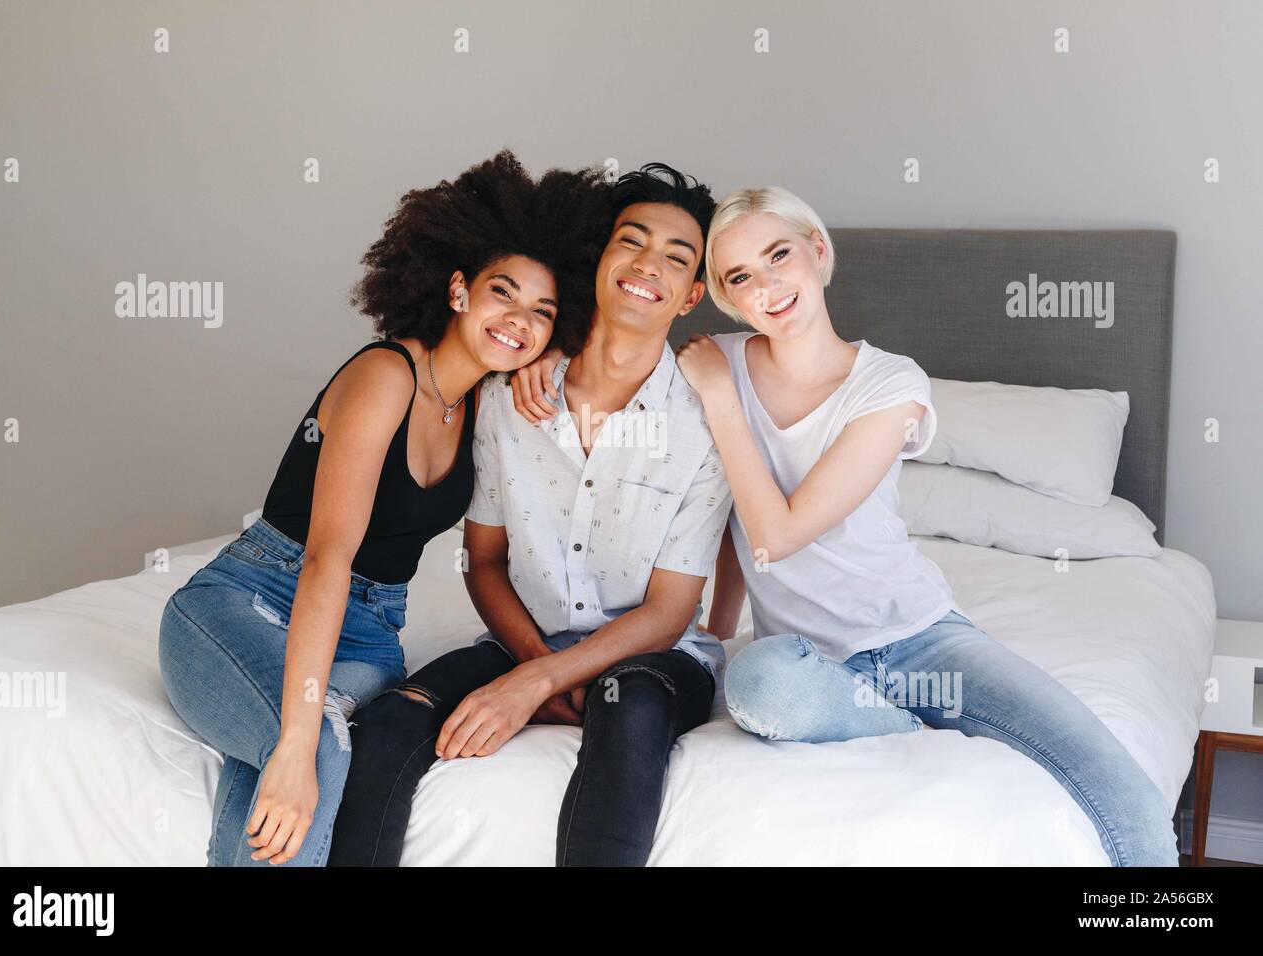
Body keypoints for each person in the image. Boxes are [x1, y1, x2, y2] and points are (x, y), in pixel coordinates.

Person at [672, 185, 1179, 866]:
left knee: (1119, 787)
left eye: (778, 255)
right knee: (757, 687)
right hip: (808, 664)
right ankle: (899, 725)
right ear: (728, 298)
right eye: (740, 277)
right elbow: (734, 505)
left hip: (919, 641)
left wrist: (719, 400)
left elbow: (777, 534)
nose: (766, 285)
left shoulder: (890, 384)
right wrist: (714, 630)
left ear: (819, 253)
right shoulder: (718, 361)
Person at [158, 151, 611, 866]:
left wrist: (548, 355)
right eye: (503, 293)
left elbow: (605, 364)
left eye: (541, 312)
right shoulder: (384, 375)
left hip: (370, 637)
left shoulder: (483, 400)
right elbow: (325, 558)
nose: (518, 320)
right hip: (249, 599)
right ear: (458, 289)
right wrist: (299, 742)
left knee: (286, 752)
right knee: (314, 746)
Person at [329, 163, 733, 867]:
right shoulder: (508, 395)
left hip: (653, 661)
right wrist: (535, 661)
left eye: (676, 257)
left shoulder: (707, 422)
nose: (647, 266)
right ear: (598, 258)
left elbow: (670, 611)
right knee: (391, 720)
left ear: (692, 293)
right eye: (630, 242)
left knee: (628, 705)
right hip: (525, 638)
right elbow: (483, 560)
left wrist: (540, 682)